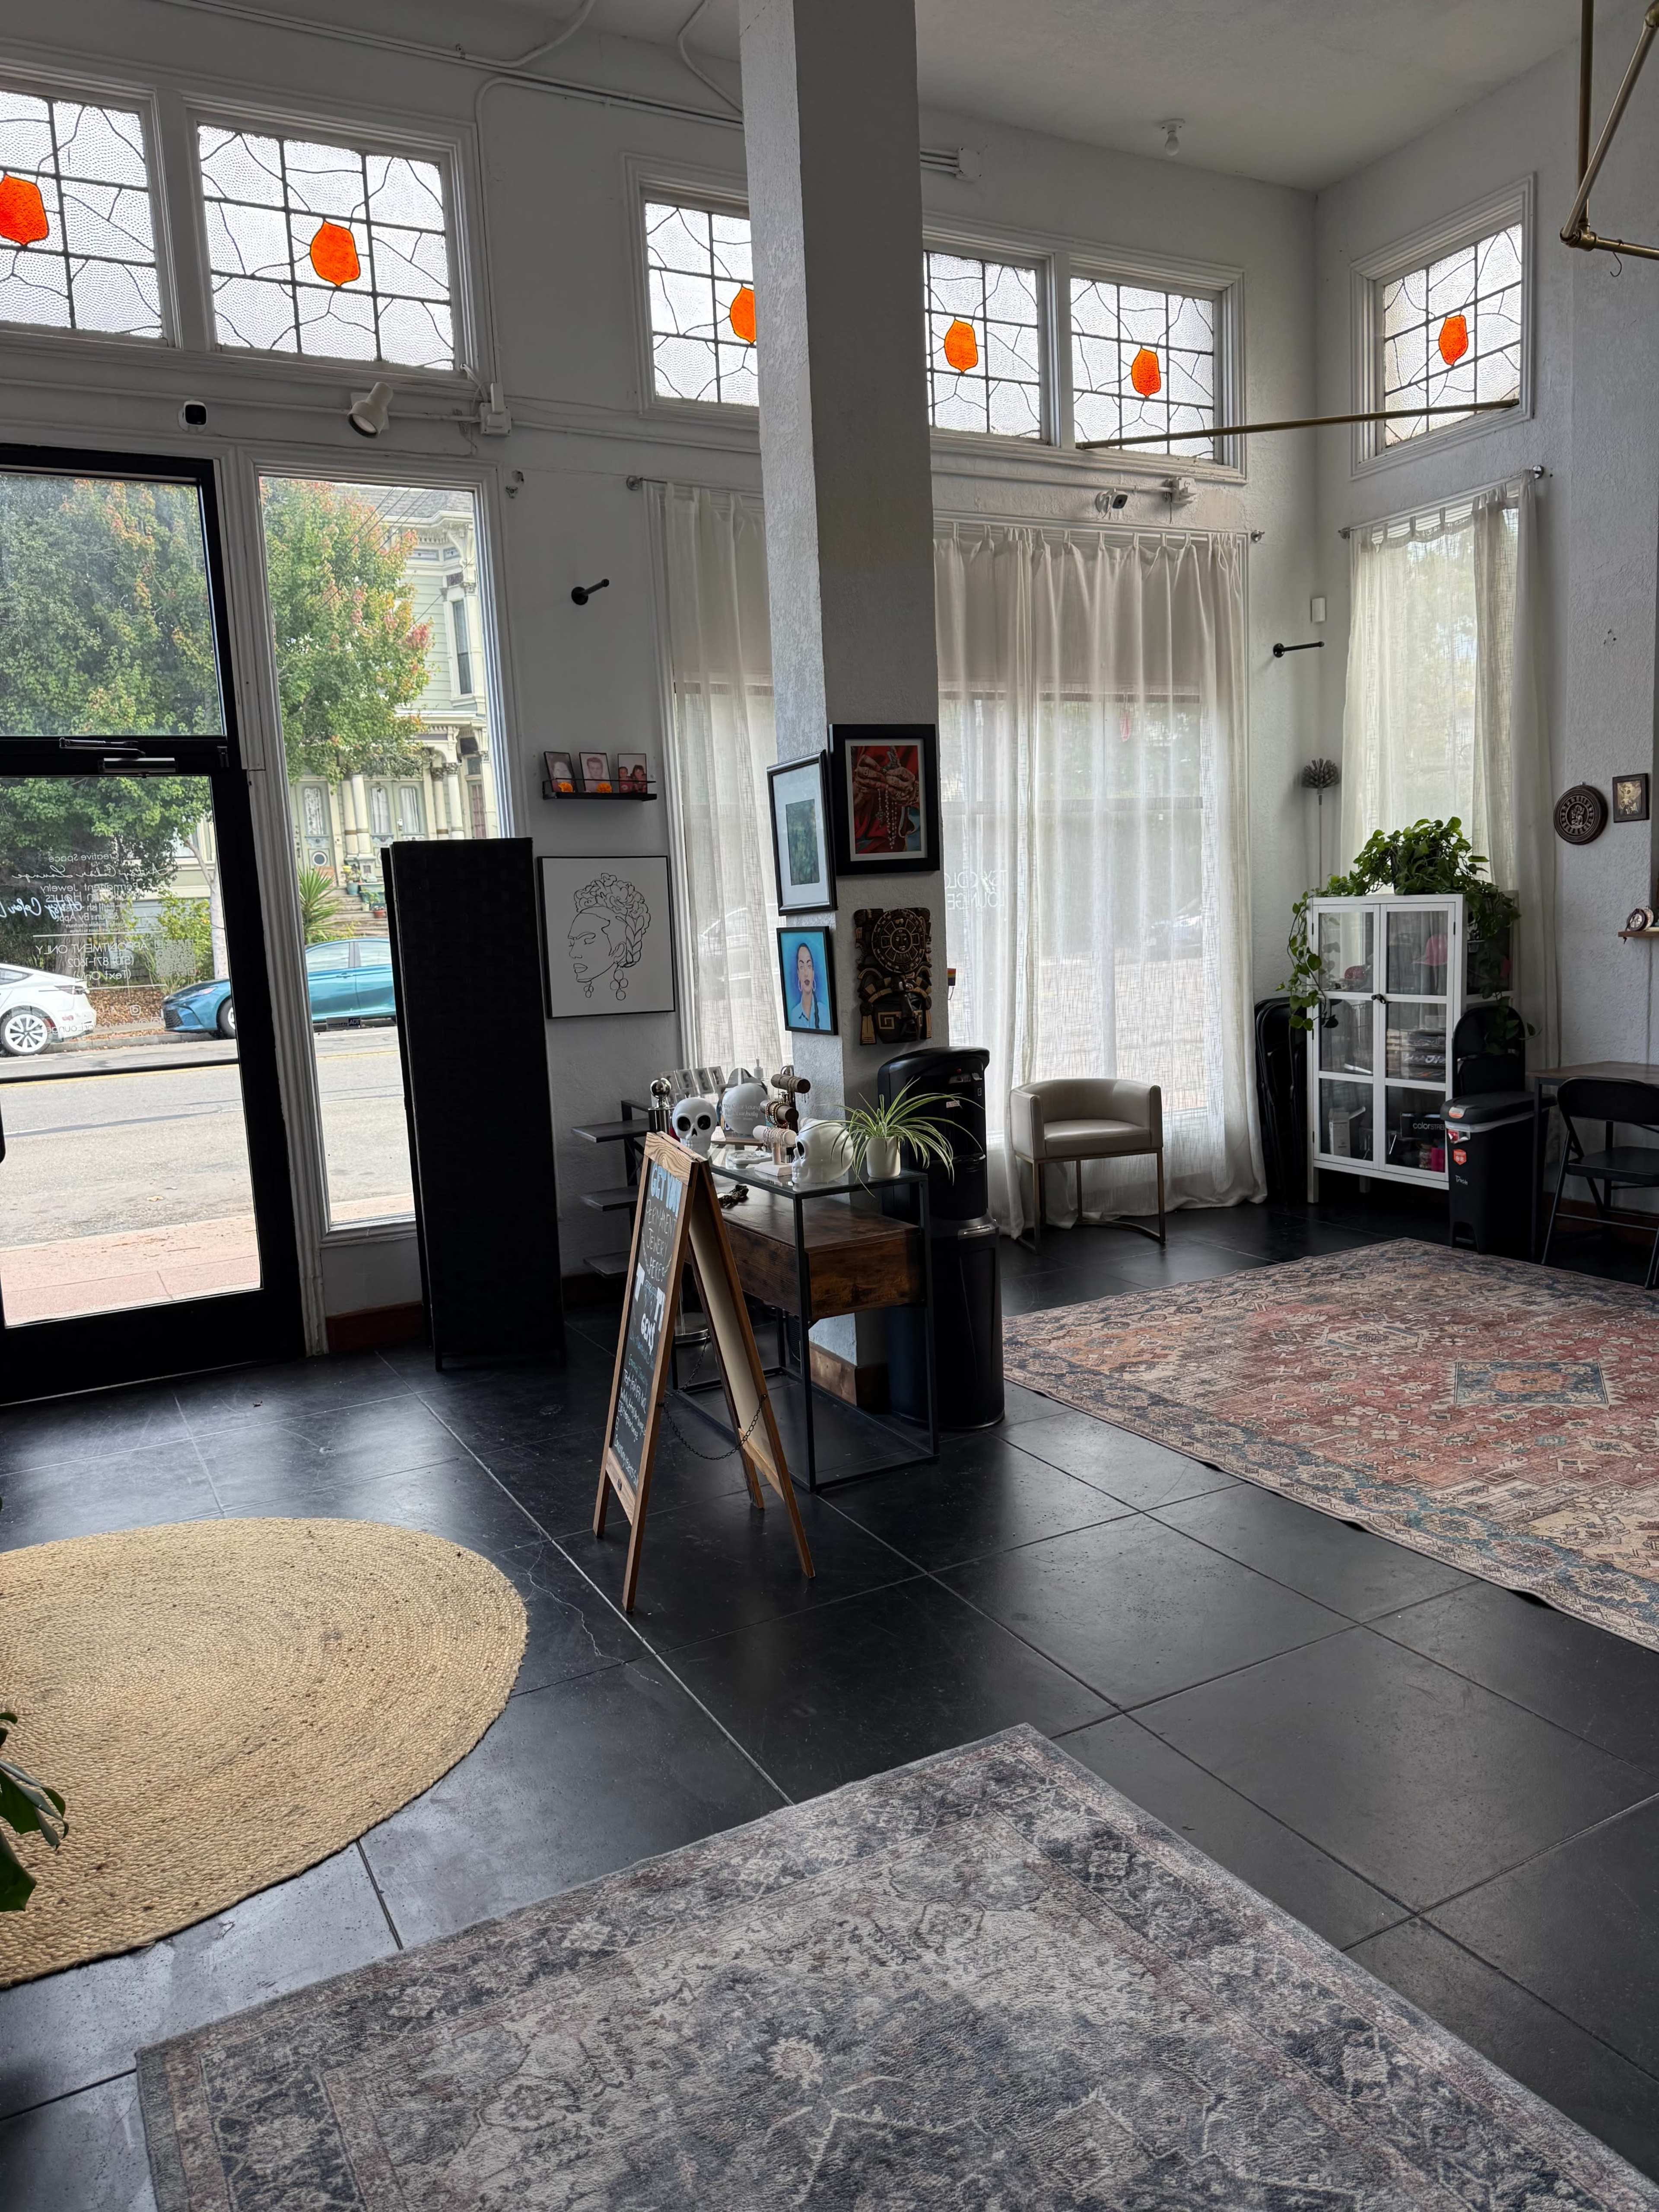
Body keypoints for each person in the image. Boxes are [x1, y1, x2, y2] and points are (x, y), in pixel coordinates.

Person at [788, 938, 829, 1030]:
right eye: (802, 967)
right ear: (798, 973)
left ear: (813, 972)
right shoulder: (794, 1015)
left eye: (809, 966)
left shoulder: (824, 1011)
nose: (806, 973)